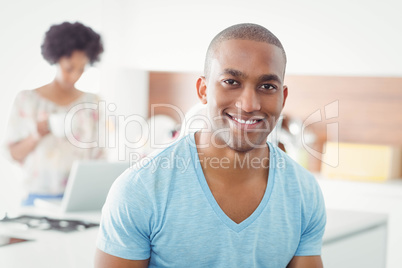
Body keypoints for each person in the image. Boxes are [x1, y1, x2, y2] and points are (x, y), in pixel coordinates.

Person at [95, 23, 326, 268]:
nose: (249, 104)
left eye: (267, 86)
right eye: (231, 82)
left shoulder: (304, 192)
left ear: (283, 96)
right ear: (203, 90)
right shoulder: (139, 189)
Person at [3, 21, 105, 206]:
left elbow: (99, 156)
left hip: (79, 200)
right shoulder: (27, 100)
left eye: (81, 69)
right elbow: (13, 154)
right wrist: (36, 135)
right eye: (69, 68)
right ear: (56, 59)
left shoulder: (92, 103)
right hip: (37, 199)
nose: (74, 76)